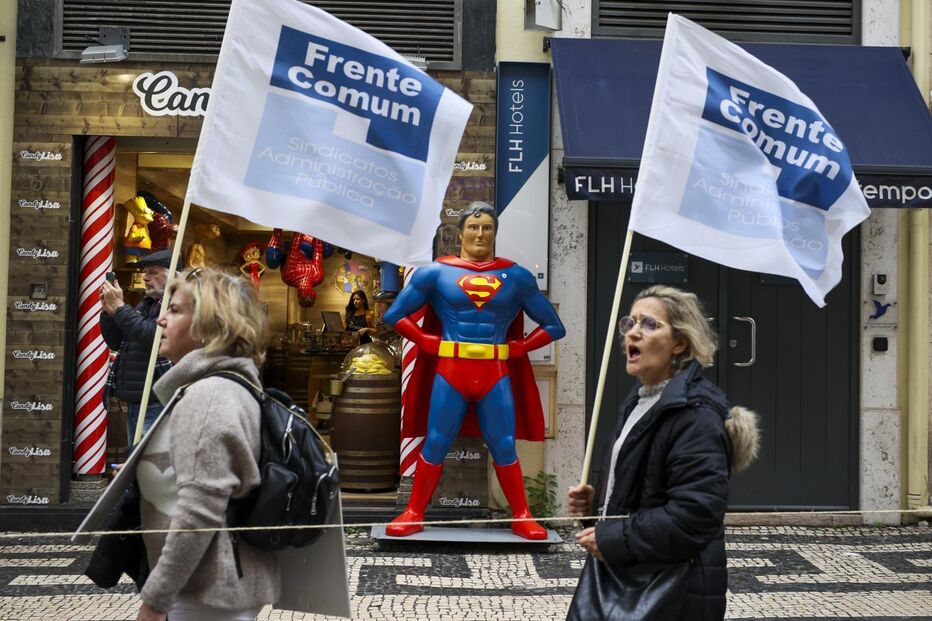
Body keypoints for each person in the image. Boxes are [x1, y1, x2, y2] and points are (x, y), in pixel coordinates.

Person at [566, 285, 759, 620]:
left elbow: (695, 514)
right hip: (626, 579)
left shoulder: (695, 415)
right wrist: (596, 508)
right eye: (630, 322)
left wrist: (613, 537)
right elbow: (642, 496)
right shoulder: (640, 401)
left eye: (649, 324)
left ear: (679, 343)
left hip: (671, 592)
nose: (633, 332)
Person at [383, 201, 565, 540]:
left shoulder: (516, 277)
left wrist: (521, 347)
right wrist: (424, 340)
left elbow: (554, 326)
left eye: (487, 228)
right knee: (436, 440)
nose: (480, 234)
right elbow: (394, 314)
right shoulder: (435, 273)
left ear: (495, 232)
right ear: (460, 232)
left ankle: (522, 515)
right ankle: (414, 512)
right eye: (473, 227)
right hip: (451, 370)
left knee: (504, 444)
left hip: (495, 371)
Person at [135, 268, 280, 621]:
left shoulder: (209, 395)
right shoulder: (226, 385)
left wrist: (155, 603)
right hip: (217, 583)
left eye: (174, 310)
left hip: (207, 591)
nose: (160, 320)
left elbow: (198, 512)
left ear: (207, 325)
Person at [99, 249, 179, 442]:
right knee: (137, 455)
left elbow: (154, 336)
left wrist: (120, 308)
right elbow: (117, 342)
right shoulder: (148, 303)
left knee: (150, 456)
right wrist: (110, 313)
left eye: (153, 272)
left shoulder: (177, 305)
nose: (145, 277)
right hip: (138, 399)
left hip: (158, 401)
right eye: (145, 272)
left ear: (174, 277)